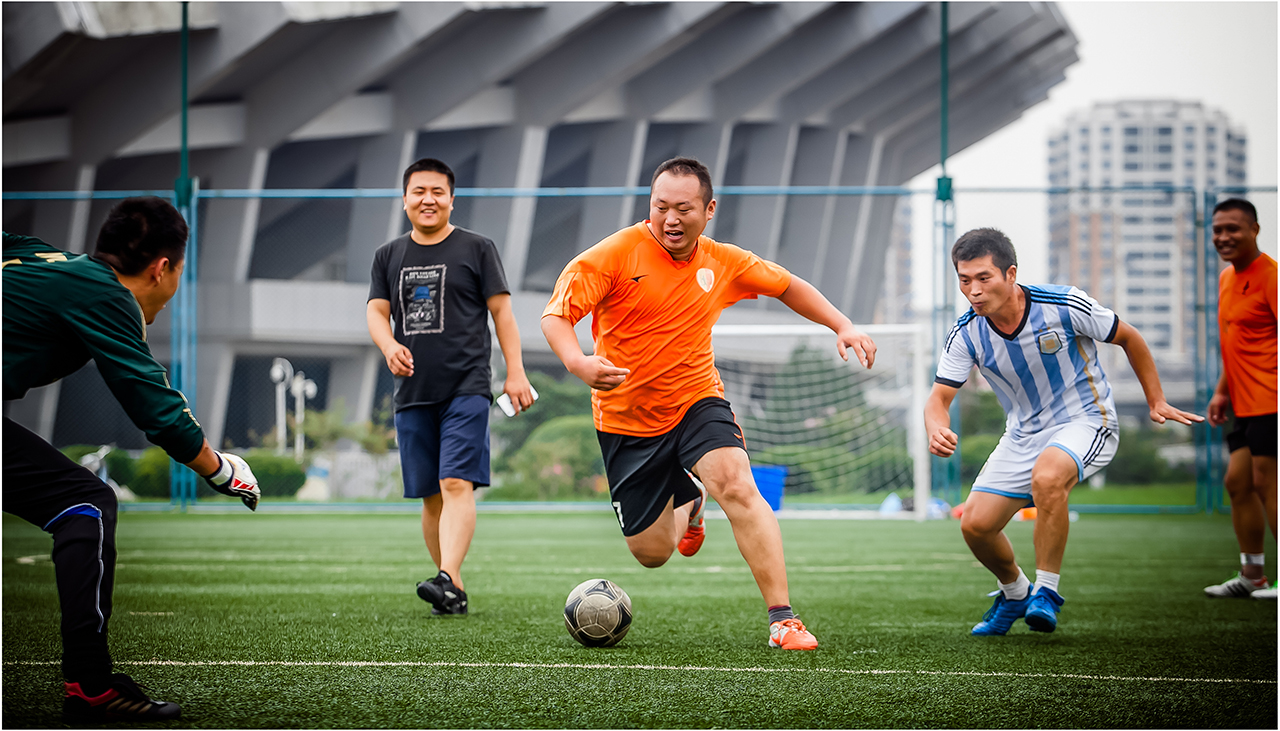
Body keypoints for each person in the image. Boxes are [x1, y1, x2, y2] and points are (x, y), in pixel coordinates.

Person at [541, 157, 877, 650]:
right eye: (660, 207)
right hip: (626, 421)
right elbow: (556, 316)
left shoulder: (724, 261)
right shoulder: (612, 255)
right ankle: (691, 501)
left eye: (683, 208)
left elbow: (788, 286)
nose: (670, 219)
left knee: (737, 485)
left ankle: (783, 620)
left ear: (709, 209)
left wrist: (841, 324)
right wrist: (578, 362)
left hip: (697, 400)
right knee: (653, 553)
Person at [3, 197, 261, 723]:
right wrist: (220, 469)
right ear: (162, 268)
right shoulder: (106, 294)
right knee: (85, 504)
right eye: (181, 272)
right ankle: (90, 687)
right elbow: (154, 406)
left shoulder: (41, 258)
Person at [925, 228, 1201, 636]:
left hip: (1086, 420)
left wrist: (1156, 400)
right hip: (1022, 435)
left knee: (1049, 477)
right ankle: (1016, 592)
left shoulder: (1064, 304)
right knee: (975, 526)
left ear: (1010, 274)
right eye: (965, 280)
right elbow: (938, 398)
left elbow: (1129, 337)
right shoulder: (966, 332)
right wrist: (937, 428)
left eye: (984, 278)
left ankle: (1047, 592)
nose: (974, 291)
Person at [367, 157, 534, 616]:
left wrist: (516, 372)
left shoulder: (477, 248)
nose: (428, 199)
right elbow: (377, 311)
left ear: (451, 199)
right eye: (419, 191)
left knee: (456, 481)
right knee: (430, 495)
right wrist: (388, 345)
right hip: (412, 391)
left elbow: (502, 314)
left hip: (468, 386)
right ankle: (451, 588)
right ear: (405, 200)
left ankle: (448, 576)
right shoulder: (388, 256)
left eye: (437, 192)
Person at [1203, 198, 1278, 600]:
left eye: (1233, 228)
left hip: (1273, 401)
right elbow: (1236, 343)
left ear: (1254, 230)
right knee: (1238, 482)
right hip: (1244, 404)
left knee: (1268, 483)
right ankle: (1253, 576)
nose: (1223, 237)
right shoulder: (1227, 278)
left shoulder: (1272, 277)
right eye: (1217, 230)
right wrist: (1222, 390)